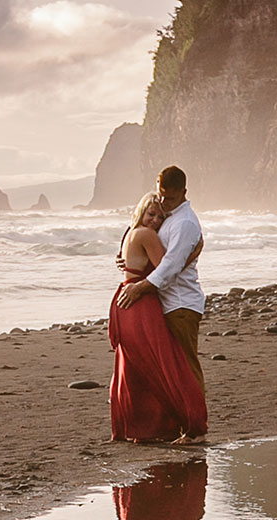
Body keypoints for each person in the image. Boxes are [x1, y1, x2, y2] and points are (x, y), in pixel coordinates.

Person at [108, 193, 207, 443]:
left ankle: (139, 428)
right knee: (163, 364)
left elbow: (141, 265)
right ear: (141, 211)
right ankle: (188, 424)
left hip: (124, 299)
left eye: (160, 217)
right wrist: (195, 250)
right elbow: (168, 269)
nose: (155, 220)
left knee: (132, 368)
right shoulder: (147, 235)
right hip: (141, 302)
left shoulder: (130, 233)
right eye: (151, 214)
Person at [116, 166, 206, 392]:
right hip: (164, 303)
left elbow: (170, 266)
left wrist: (139, 287)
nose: (164, 201)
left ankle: (196, 420)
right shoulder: (167, 215)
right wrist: (127, 261)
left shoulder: (183, 222)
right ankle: (180, 421)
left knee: (185, 365)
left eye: (170, 197)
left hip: (181, 303)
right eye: (161, 194)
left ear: (184, 193)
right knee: (170, 367)